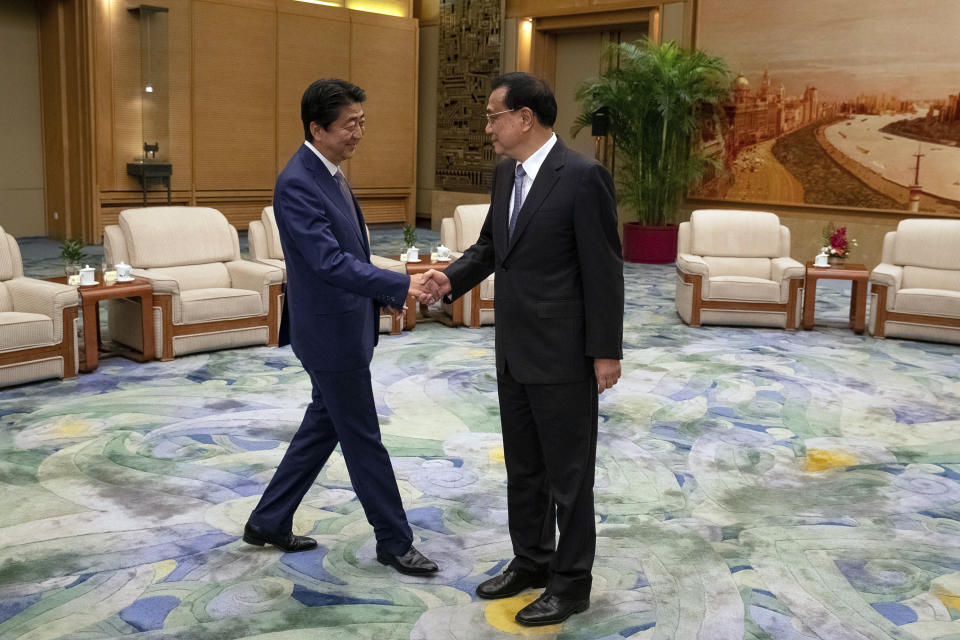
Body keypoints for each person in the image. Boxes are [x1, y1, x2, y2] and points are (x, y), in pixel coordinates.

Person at [423, 72, 624, 626]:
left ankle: (571, 581)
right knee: (525, 467)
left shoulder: (583, 177)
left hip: (564, 354)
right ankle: (532, 559)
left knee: (569, 474)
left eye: (492, 116)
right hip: (513, 349)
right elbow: (492, 246)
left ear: (524, 118)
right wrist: (449, 279)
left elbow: (603, 272)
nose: (487, 126)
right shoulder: (506, 174)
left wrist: (606, 352)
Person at [244, 78, 440, 576]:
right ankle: (394, 541)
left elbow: (351, 255)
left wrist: (380, 293)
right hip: (328, 334)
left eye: (362, 122)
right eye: (350, 124)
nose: (359, 133)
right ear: (317, 127)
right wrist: (398, 286)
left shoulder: (329, 173)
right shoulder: (297, 182)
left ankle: (268, 520)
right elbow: (329, 262)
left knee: (324, 425)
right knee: (362, 435)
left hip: (346, 324)